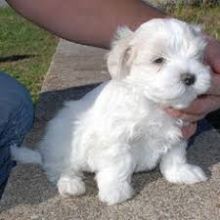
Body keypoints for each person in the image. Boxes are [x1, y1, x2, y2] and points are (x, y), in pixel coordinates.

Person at [1, 0, 220, 196]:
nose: (188, 73)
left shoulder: (175, 95)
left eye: (195, 56)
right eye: (159, 60)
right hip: (73, 147)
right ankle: (64, 173)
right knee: (92, 138)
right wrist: (114, 180)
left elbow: (178, 131)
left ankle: (173, 167)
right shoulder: (122, 104)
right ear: (124, 58)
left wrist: (176, 165)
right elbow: (111, 142)